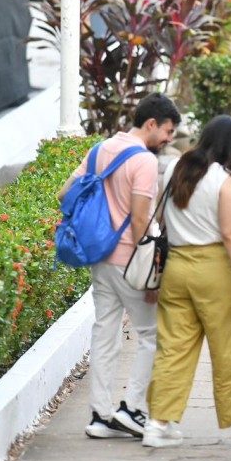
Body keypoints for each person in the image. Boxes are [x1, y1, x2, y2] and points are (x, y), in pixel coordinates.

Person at [143, 116, 231, 449]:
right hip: (213, 269)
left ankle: (159, 423)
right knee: (227, 348)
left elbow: (160, 219)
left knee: (174, 348)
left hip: (176, 267)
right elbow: (230, 233)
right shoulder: (225, 181)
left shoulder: (175, 169)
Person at [58, 92, 181, 440]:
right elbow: (142, 218)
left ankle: (100, 415)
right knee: (152, 335)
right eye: (168, 131)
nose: (169, 139)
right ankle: (132, 409)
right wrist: (154, 267)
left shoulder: (101, 149)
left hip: (99, 258)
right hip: (130, 260)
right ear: (151, 123)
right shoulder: (142, 160)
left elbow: (64, 192)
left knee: (105, 333)